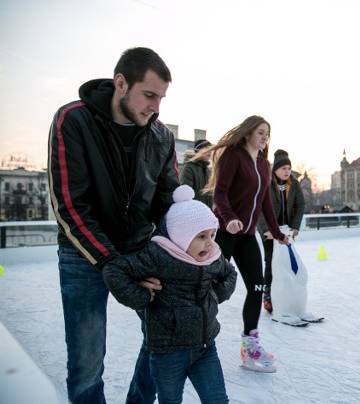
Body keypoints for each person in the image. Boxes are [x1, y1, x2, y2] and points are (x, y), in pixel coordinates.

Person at [47, 47, 178, 404]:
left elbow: (168, 205)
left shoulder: (161, 136)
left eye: (161, 98)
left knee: (165, 337)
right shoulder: (73, 120)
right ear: (121, 83)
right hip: (84, 256)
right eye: (149, 95)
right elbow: (71, 204)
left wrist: (188, 248)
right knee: (87, 363)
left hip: (139, 250)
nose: (155, 107)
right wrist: (111, 262)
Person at [102, 185, 237, 404]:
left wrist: (215, 294)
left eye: (212, 234)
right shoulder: (158, 256)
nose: (210, 242)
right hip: (169, 353)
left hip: (205, 347)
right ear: (181, 237)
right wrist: (142, 297)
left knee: (218, 400)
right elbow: (114, 271)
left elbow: (230, 274)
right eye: (201, 236)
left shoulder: (212, 257)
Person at [196, 115, 288, 373]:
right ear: (248, 133)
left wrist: (277, 233)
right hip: (225, 233)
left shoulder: (263, 163)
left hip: (247, 237)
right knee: (209, 286)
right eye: (260, 132)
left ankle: (250, 345)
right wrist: (230, 218)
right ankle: (194, 336)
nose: (264, 137)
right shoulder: (233, 157)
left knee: (257, 287)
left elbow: (265, 203)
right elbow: (220, 193)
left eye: (267, 133)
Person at [257, 149, 305, 314]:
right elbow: (259, 208)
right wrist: (266, 231)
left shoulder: (294, 183)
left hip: (287, 231)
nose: (287, 171)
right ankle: (268, 296)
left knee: (288, 263)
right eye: (283, 168)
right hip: (270, 231)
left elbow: (300, 205)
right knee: (270, 263)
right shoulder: (266, 183)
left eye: (289, 168)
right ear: (275, 170)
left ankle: (286, 296)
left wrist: (296, 227)